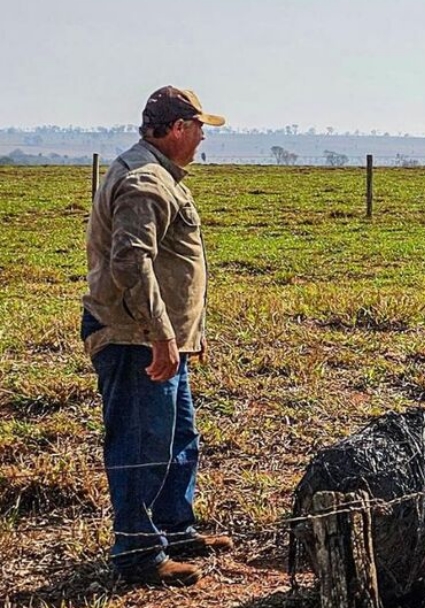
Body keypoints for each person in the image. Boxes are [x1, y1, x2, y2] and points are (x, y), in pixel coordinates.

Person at [82, 86, 233, 586]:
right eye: (198, 127)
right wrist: (161, 336)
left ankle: (174, 527)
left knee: (178, 438)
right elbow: (131, 261)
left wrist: (188, 334)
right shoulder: (146, 181)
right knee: (142, 445)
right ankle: (139, 554)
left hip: (162, 337)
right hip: (137, 340)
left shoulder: (161, 176)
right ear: (175, 129)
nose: (203, 137)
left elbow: (172, 268)